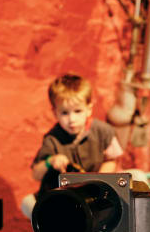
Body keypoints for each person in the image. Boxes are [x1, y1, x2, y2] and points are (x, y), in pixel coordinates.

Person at [21, 73, 124, 218]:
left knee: (138, 175)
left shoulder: (104, 131)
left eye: (78, 111)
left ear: (89, 108)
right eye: (64, 113)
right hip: (68, 197)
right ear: (55, 113)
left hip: (99, 193)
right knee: (27, 203)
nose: (72, 119)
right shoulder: (52, 138)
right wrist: (51, 161)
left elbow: (112, 159)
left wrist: (98, 181)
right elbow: (36, 174)